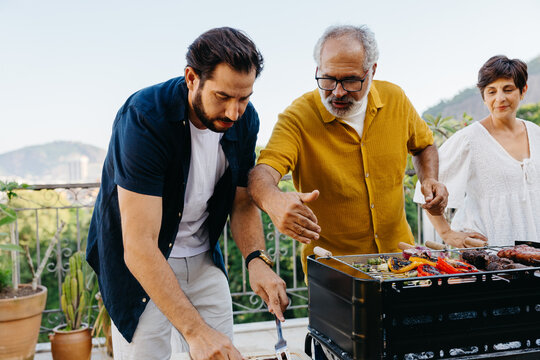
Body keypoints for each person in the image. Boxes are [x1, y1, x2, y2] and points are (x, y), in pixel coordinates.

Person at [86, 27, 288, 360]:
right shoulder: (145, 117)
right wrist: (195, 332)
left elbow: (241, 203)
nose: (234, 112)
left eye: (244, 97)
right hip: (145, 262)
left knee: (222, 351)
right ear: (192, 78)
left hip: (203, 254)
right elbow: (138, 246)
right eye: (222, 97)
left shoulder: (245, 120)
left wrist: (256, 261)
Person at [248, 25, 448, 278]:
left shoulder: (395, 98)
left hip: (402, 262)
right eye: (328, 79)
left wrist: (429, 179)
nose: (338, 92)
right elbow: (262, 173)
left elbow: (424, 145)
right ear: (317, 70)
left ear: (372, 71)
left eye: (351, 80)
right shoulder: (297, 117)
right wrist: (273, 200)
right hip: (335, 274)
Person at [414, 55, 540, 247]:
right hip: (486, 250)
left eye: (508, 89)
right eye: (491, 92)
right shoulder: (469, 140)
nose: (500, 98)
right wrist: (447, 233)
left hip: (532, 252)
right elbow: (426, 188)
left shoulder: (536, 133)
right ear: (483, 97)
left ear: (523, 91)